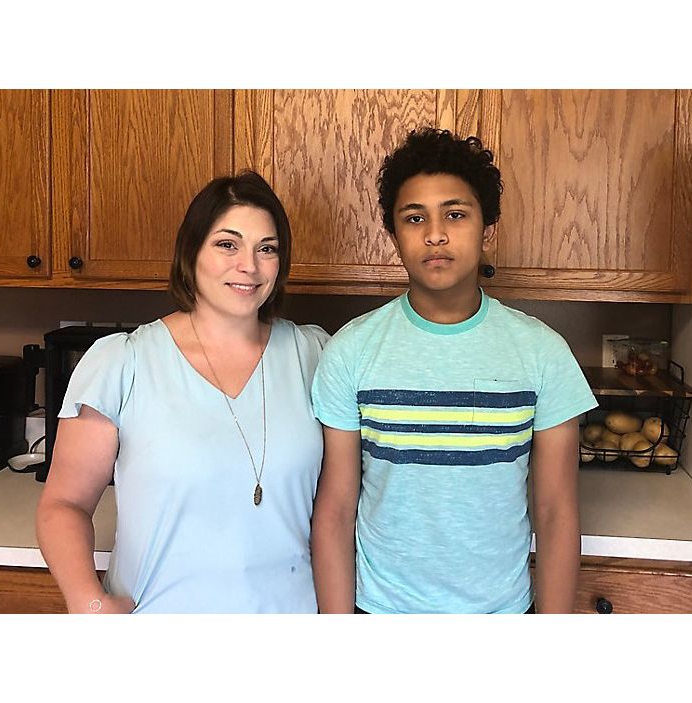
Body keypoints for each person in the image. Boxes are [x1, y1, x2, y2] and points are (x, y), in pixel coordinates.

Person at [309, 127, 597, 614]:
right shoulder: (350, 351)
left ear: (488, 229)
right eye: (414, 217)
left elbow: (556, 513)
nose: (435, 234)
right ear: (394, 236)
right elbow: (336, 511)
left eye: (456, 214)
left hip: (502, 612)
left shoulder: (543, 353)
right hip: (380, 610)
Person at [35, 171, 330, 613]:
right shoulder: (123, 362)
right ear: (190, 253)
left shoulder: (315, 355)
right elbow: (64, 504)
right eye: (227, 244)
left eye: (266, 248)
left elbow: (342, 506)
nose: (249, 265)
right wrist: (88, 602)